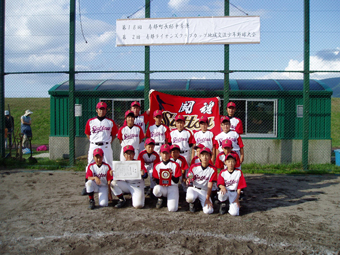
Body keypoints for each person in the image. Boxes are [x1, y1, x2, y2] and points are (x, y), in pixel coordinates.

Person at [186, 147, 217, 214]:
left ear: (210, 156)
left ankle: (199, 202)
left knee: (209, 211)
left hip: (204, 190)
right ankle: (193, 202)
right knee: (190, 197)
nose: (204, 157)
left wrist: (207, 198)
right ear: (199, 157)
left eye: (207, 155)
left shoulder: (213, 169)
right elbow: (190, 177)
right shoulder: (194, 166)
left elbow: (210, 184)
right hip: (194, 188)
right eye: (202, 155)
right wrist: (189, 179)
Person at [152, 144, 182, 211]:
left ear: (170, 153)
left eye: (167, 153)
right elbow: (157, 181)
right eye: (163, 153)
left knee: (172, 209)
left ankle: (168, 199)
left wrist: (170, 176)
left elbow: (177, 181)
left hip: (172, 186)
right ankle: (160, 198)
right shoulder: (157, 165)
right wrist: (162, 182)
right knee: (156, 189)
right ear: (160, 153)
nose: (165, 155)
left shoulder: (175, 165)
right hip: (163, 187)